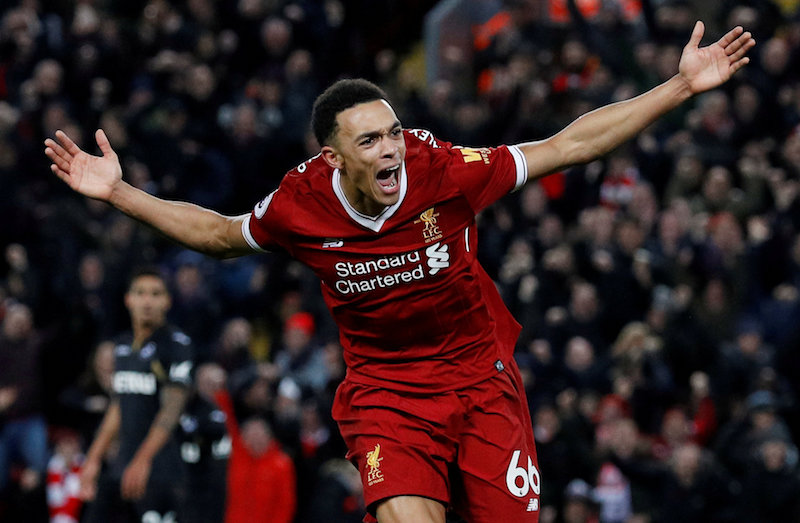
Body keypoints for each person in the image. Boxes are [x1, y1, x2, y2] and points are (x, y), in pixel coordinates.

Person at [44, 21, 754, 523]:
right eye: (370, 141)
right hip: (387, 394)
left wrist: (678, 88)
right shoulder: (300, 204)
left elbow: (568, 146)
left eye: (393, 132)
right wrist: (120, 194)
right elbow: (220, 235)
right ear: (333, 157)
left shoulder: (442, 169)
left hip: (480, 380)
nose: (391, 150)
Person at [79, 268, 194, 523]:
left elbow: (171, 410)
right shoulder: (122, 346)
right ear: (128, 300)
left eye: (155, 294)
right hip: (122, 466)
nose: (147, 301)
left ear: (167, 301)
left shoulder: (176, 345)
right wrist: (94, 458)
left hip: (161, 471)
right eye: (140, 293)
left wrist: (143, 460)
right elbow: (119, 405)